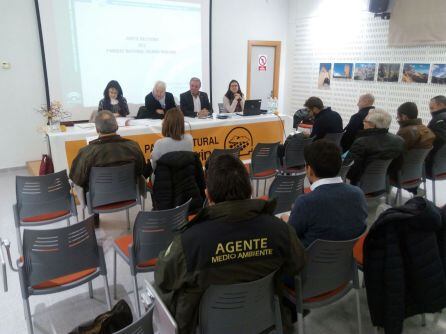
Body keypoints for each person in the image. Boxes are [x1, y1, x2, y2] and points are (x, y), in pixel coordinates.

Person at [155, 154, 305, 334]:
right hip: (264, 318)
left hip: (204, 326)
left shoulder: (189, 242)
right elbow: (298, 262)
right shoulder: (280, 230)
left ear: (208, 195)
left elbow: (163, 278)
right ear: (249, 190)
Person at [69, 110, 151, 226]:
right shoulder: (133, 146)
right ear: (117, 126)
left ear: (97, 130)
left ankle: (94, 218)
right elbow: (142, 172)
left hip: (96, 200)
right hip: (129, 195)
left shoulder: (86, 152)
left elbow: (76, 179)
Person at [282, 140, 367, 248]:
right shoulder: (358, 195)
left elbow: (291, 235)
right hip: (346, 261)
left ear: (309, 169)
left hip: (309, 260)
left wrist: (287, 220)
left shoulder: (306, 202)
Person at [344, 108, 405, 185]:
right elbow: (397, 166)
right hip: (382, 184)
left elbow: (350, 171)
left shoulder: (362, 143)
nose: (363, 123)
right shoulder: (399, 141)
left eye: (365, 121)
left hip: (359, 186)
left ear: (373, 125)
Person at [426, 95, 446, 177]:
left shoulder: (438, 120)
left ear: (441, 105)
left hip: (433, 167)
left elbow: (433, 144)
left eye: (432, 108)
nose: (430, 111)